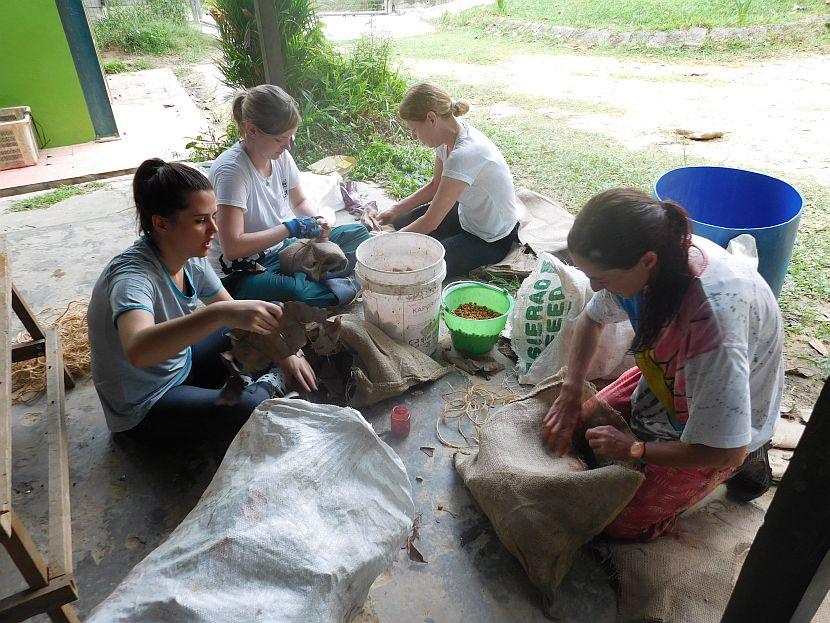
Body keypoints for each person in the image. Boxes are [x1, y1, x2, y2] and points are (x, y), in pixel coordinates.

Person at [542, 188, 783, 541]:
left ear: (648, 261)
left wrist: (635, 448)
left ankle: (753, 460)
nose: (595, 287)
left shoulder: (710, 331)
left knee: (612, 521)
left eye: (602, 279)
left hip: (725, 422)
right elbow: (591, 320)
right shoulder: (652, 257)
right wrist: (571, 387)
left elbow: (727, 450)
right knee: (575, 421)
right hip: (667, 371)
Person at [88, 159, 317, 440]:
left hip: (181, 364)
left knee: (267, 313)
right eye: (200, 221)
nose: (214, 229)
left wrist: (285, 351)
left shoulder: (190, 256)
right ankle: (264, 387)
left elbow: (234, 311)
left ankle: (250, 380)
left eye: (214, 216)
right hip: (146, 404)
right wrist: (220, 314)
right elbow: (138, 350)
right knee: (249, 409)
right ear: (161, 224)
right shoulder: (131, 279)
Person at [208, 84, 371, 307]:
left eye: (291, 137)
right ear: (252, 130)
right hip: (243, 271)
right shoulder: (232, 172)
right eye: (279, 139)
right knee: (297, 291)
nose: (287, 146)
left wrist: (317, 222)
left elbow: (299, 201)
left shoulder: (279, 156)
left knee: (358, 234)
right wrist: (290, 228)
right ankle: (330, 283)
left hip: (284, 249)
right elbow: (232, 247)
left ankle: (321, 281)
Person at [377, 82, 520, 277]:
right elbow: (436, 186)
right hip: (467, 217)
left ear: (431, 118)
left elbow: (430, 223)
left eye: (415, 129)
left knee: (421, 264)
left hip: (491, 238)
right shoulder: (447, 139)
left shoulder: (464, 154)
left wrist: (386, 245)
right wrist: (396, 208)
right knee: (401, 221)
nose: (414, 136)